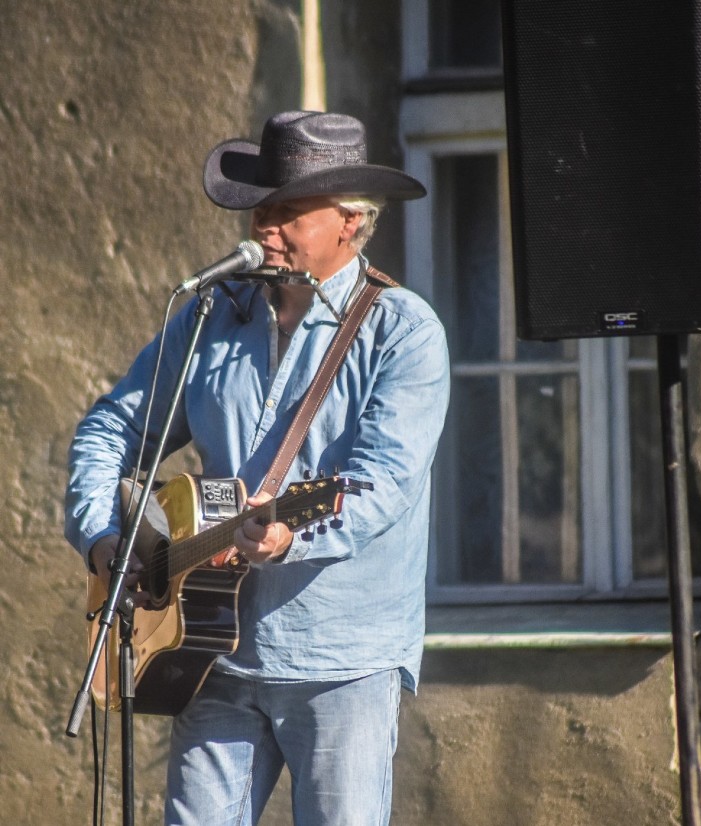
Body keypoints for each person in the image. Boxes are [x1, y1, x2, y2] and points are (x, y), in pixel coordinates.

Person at [65, 110, 451, 826]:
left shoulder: (405, 333)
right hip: (212, 649)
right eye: (258, 211)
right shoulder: (209, 317)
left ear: (349, 220)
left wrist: (287, 538)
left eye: (285, 213)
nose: (262, 229)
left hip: (342, 662)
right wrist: (99, 536)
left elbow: (382, 484)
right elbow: (110, 427)